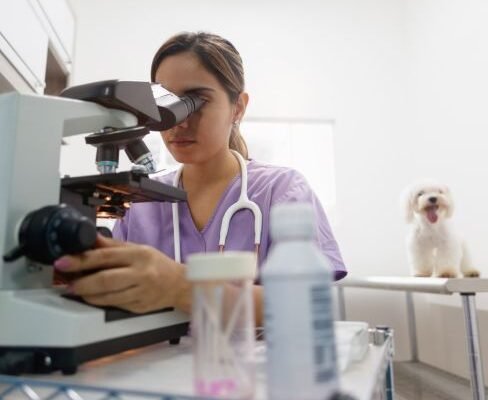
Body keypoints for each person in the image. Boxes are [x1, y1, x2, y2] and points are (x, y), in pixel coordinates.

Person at [53, 32, 346, 326]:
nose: (178, 121)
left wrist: (181, 287)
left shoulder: (282, 190)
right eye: (164, 102)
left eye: (197, 101)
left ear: (238, 107)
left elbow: (308, 304)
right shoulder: (141, 201)